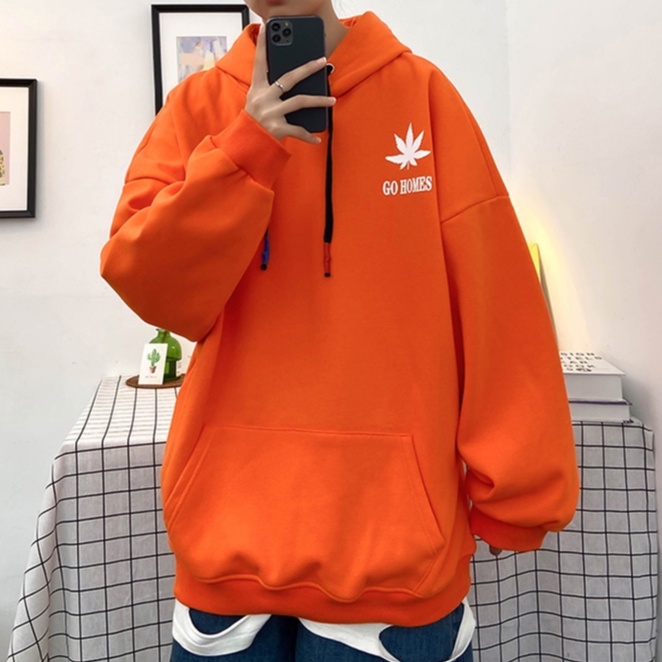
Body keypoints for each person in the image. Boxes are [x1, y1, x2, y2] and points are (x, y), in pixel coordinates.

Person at [100, 1, 579, 660]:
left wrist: (519, 488)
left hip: (392, 558)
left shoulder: (422, 95)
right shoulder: (196, 107)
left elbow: (495, 298)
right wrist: (245, 146)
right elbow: (145, 280)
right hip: (227, 551)